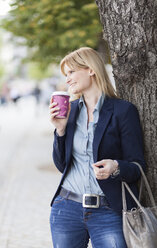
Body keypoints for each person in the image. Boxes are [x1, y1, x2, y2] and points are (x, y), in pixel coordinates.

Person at [49, 47, 145, 248]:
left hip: (109, 211)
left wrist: (116, 167)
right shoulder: (71, 112)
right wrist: (60, 130)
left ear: (91, 69)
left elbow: (137, 166)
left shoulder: (123, 111)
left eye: (71, 72)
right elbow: (61, 165)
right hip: (66, 208)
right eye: (66, 75)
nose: (67, 79)